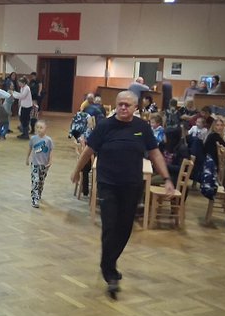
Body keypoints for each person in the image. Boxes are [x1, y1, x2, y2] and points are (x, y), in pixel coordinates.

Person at [70, 90, 174, 298]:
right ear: (116, 105)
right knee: (109, 227)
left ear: (135, 108)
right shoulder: (105, 126)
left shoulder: (142, 127)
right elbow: (89, 151)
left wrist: (167, 178)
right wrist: (77, 171)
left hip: (132, 185)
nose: (124, 107)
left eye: (128, 105)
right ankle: (110, 272)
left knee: (125, 228)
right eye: (120, 104)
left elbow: (155, 154)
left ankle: (108, 264)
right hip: (108, 184)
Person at [26, 120, 53, 209]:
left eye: (41, 128)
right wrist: (27, 158)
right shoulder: (33, 139)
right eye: (37, 127)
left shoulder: (48, 140)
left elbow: (51, 151)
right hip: (35, 164)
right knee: (35, 181)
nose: (39, 129)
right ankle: (35, 199)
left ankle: (39, 193)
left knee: (41, 181)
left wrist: (50, 161)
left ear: (45, 129)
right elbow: (30, 148)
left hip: (44, 165)